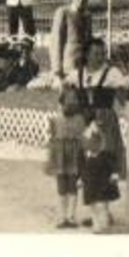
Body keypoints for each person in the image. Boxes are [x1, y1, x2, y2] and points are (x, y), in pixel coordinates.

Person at [77, 39, 129, 185]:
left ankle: (111, 172)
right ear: (87, 55)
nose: (100, 57)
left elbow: (122, 97)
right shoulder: (78, 74)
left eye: (102, 54)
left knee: (107, 142)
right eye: (96, 54)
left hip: (104, 116)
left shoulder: (112, 73)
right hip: (85, 116)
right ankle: (83, 174)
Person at [45, 86, 86, 229]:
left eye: (73, 102)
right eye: (67, 103)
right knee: (61, 184)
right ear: (61, 104)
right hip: (60, 155)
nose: (70, 106)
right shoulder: (55, 119)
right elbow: (52, 138)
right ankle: (62, 216)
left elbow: (82, 140)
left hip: (74, 154)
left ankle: (71, 216)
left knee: (73, 185)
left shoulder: (80, 120)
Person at [49, 0, 93, 87]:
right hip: (69, 62)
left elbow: (89, 39)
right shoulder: (63, 12)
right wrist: (57, 68)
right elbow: (56, 40)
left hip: (84, 61)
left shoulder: (88, 15)